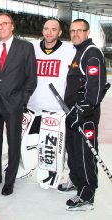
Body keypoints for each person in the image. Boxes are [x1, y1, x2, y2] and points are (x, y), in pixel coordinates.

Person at [0, 12, 37, 196]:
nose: (1, 27)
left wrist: (22, 100)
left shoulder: (25, 47)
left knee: (14, 144)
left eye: (5, 24)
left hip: (14, 105)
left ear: (12, 26)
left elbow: (31, 78)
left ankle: (9, 180)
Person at [58, 19, 107, 211]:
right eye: (72, 31)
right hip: (72, 112)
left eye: (80, 30)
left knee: (85, 153)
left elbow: (94, 88)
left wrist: (83, 110)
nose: (75, 34)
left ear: (87, 32)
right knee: (73, 149)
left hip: (85, 114)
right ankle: (76, 181)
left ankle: (87, 193)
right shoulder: (78, 51)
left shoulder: (92, 52)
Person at [22, 19, 75, 186]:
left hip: (55, 109)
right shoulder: (32, 46)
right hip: (32, 106)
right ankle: (23, 166)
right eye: (46, 29)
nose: (49, 32)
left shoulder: (69, 49)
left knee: (50, 147)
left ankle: (50, 174)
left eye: (53, 30)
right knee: (24, 141)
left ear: (60, 33)